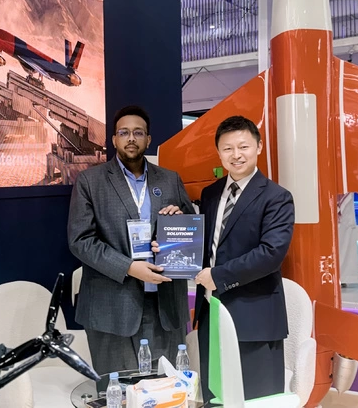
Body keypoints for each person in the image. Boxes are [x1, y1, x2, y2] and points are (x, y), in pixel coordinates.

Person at [68, 105, 194, 375]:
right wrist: (129, 267)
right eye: (124, 133)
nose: (131, 138)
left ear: (148, 139)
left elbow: (190, 231)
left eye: (138, 132)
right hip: (112, 308)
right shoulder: (90, 181)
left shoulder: (170, 180)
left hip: (165, 307)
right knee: (119, 391)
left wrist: (180, 219)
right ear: (114, 139)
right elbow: (81, 240)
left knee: (165, 388)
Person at [190, 115, 295, 401]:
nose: (236, 155)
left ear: (258, 147)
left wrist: (218, 276)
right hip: (212, 311)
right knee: (215, 396)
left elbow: (271, 254)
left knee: (256, 399)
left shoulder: (277, 197)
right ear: (218, 152)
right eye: (227, 148)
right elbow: (209, 245)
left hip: (255, 316)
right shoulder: (210, 194)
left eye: (243, 147)